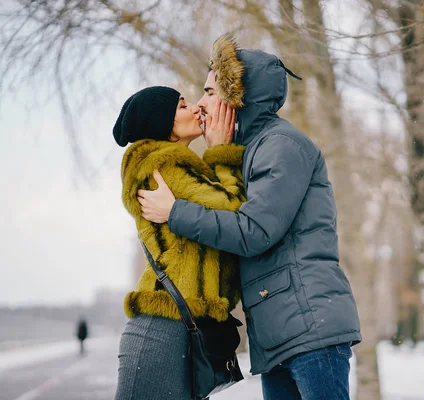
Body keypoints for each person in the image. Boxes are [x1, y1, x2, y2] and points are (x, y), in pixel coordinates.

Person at [138, 35, 362, 400]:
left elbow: (253, 231)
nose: (201, 103)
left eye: (210, 92)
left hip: (310, 331)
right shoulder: (252, 150)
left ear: (236, 96)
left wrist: (175, 212)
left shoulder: (281, 146)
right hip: (280, 336)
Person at [112, 86, 245, 400]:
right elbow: (233, 210)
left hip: (175, 329)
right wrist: (221, 150)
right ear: (163, 125)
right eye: (183, 105)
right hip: (164, 331)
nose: (196, 109)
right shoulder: (165, 167)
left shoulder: (168, 166)